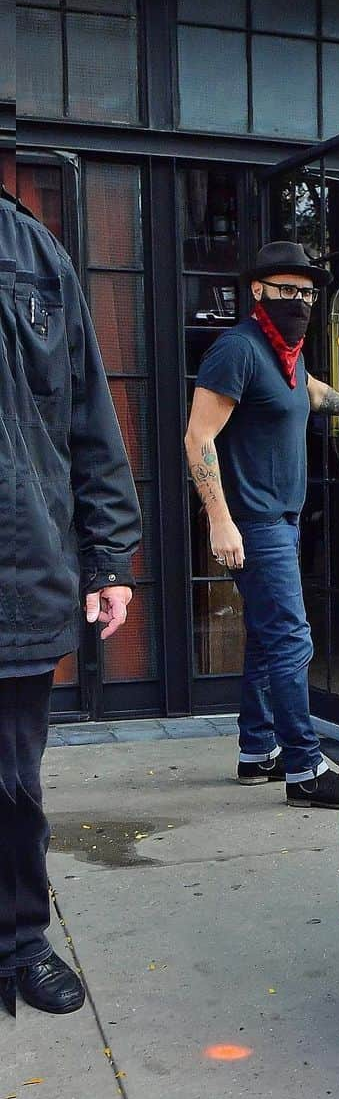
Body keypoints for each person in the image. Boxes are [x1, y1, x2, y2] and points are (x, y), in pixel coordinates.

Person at [0, 182, 141, 1017]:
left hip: (19, 574)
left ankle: (18, 941)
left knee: (12, 780)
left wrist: (109, 559)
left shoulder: (34, 255)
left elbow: (90, 419)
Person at [185, 241, 339, 809]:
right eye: (288, 291)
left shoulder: (287, 351)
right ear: (257, 291)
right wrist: (220, 521)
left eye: (307, 293)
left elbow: (304, 393)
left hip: (284, 517)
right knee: (291, 638)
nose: (300, 301)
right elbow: (198, 437)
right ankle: (305, 767)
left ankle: (258, 751)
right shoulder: (237, 348)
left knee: (266, 636)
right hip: (253, 523)